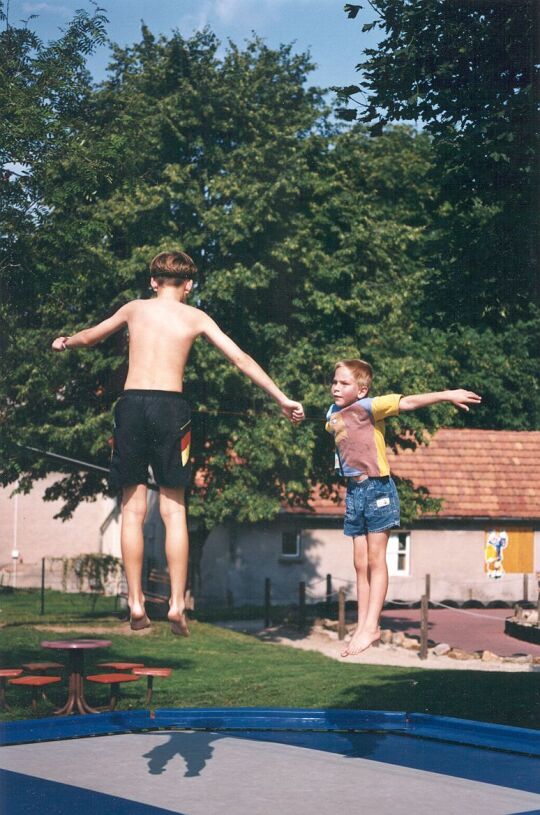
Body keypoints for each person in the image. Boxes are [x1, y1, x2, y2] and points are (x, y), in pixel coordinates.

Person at [52, 251, 304, 635]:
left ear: (153, 281)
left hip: (131, 406)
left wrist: (65, 343)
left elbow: (90, 337)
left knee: (132, 511)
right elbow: (240, 358)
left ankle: (136, 603)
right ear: (189, 284)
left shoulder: (134, 309)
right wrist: (282, 398)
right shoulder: (196, 317)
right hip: (172, 409)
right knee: (174, 512)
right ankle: (174, 605)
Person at [326, 358, 481, 657]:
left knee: (375, 559)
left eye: (344, 383)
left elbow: (408, 402)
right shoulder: (332, 413)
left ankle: (373, 624)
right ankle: (362, 627)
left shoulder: (370, 406)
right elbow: (332, 428)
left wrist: (447, 394)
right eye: (334, 381)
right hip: (354, 491)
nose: (335, 387)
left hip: (377, 489)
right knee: (359, 564)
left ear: (361, 390)